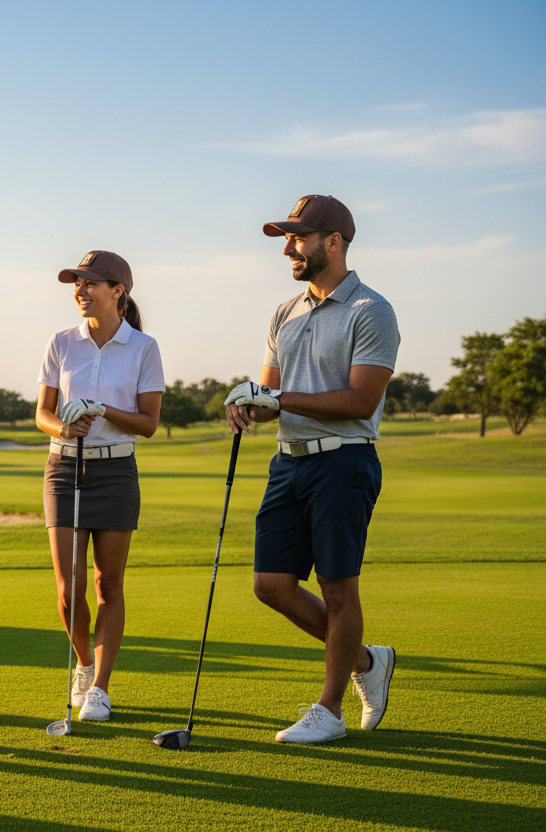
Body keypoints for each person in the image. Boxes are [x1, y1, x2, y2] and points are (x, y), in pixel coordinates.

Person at [225, 194, 399, 744]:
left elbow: (360, 401)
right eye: (286, 237)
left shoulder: (370, 311)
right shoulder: (285, 311)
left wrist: (278, 400)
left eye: (297, 237)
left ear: (334, 241)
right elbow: (273, 390)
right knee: (271, 585)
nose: (288, 248)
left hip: (345, 461)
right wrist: (249, 402)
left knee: (338, 587)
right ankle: (368, 660)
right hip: (289, 461)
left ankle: (331, 709)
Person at [35, 250, 164, 722]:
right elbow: (42, 413)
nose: (81, 291)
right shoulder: (61, 342)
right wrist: (63, 428)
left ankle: (101, 690)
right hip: (64, 469)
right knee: (69, 591)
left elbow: (148, 423)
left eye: (91, 283)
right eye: (77, 283)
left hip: (116, 471)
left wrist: (104, 410)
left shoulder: (143, 348)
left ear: (118, 292)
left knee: (108, 584)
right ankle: (84, 666)